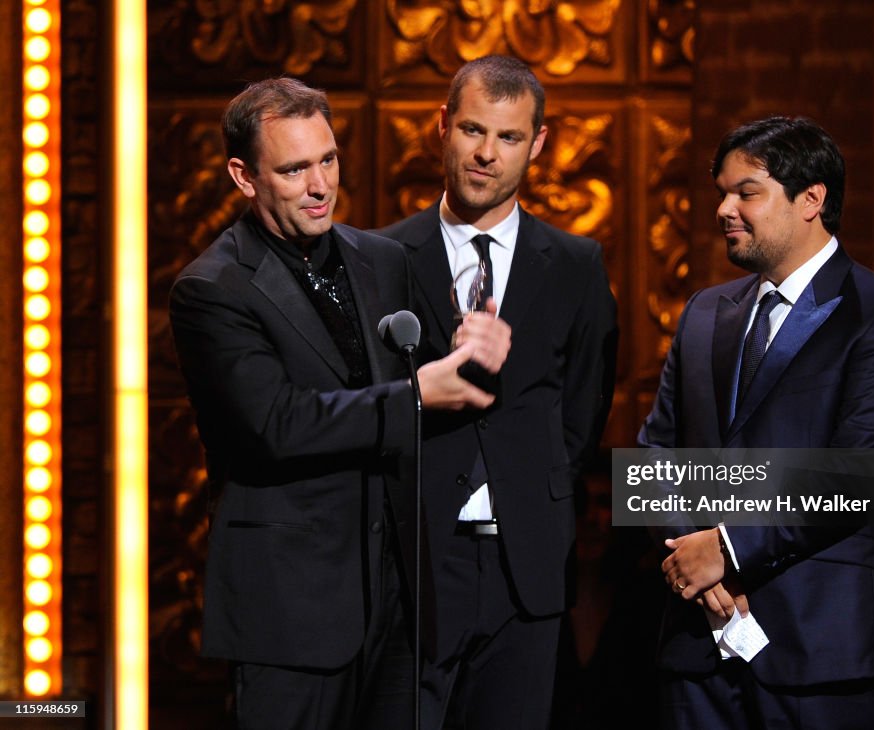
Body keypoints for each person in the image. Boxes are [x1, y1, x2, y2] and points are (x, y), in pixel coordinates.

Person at [169, 77, 510, 730]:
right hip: (292, 611)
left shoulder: (382, 260)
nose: (321, 184)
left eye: (327, 159)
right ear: (244, 176)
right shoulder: (212, 290)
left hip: (400, 599)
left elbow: (435, 392)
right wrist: (415, 396)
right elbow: (276, 424)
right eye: (295, 169)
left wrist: (472, 357)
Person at [638, 116, 874, 729]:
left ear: (812, 199)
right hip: (700, 644)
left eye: (747, 191)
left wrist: (726, 549)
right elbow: (654, 455)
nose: (724, 208)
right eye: (722, 191)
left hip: (824, 651)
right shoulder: (703, 313)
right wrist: (691, 554)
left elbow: (859, 474)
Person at [377, 55, 619, 730]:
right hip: (415, 563)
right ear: (442, 128)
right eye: (473, 132)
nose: (487, 154)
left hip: (527, 569)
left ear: (538, 143)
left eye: (509, 138)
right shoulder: (380, 259)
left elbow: (582, 415)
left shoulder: (576, 265)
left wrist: (534, 500)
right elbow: (367, 408)